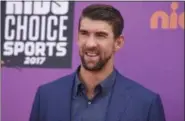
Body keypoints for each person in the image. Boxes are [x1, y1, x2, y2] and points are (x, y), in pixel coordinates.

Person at [29, 4, 166, 121]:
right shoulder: (46, 96)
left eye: (101, 35)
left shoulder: (146, 103)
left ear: (118, 43)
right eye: (84, 33)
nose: (90, 44)